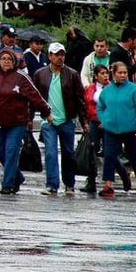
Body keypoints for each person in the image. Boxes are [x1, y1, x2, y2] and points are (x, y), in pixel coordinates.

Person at [0, 48, 52, 194]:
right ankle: (18, 177)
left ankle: (7, 184)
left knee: (11, 152)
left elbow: (35, 96)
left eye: (9, 59)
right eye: (3, 59)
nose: (6, 61)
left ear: (14, 62)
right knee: (1, 154)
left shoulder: (21, 77)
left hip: (17, 123)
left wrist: (46, 112)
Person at [32, 41, 88, 195]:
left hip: (67, 120)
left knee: (68, 153)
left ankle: (69, 184)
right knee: (50, 153)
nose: (60, 58)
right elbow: (34, 97)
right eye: (56, 55)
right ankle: (52, 185)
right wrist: (30, 119)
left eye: (62, 54)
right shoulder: (40, 74)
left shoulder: (72, 74)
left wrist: (84, 121)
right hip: (48, 120)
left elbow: (80, 100)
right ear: (49, 56)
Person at [97, 61, 136, 198]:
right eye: (120, 73)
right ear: (113, 74)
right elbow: (100, 107)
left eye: (125, 72)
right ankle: (108, 185)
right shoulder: (107, 90)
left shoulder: (134, 90)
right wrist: (104, 120)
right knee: (109, 156)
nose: (123, 75)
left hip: (130, 129)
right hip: (111, 129)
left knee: (132, 156)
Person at [81, 64, 131, 194]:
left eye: (106, 73)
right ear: (96, 76)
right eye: (102, 73)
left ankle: (122, 173)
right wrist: (85, 122)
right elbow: (86, 105)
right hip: (94, 122)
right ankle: (91, 181)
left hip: (110, 124)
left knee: (110, 153)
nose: (105, 76)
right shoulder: (90, 89)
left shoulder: (113, 88)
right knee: (92, 151)